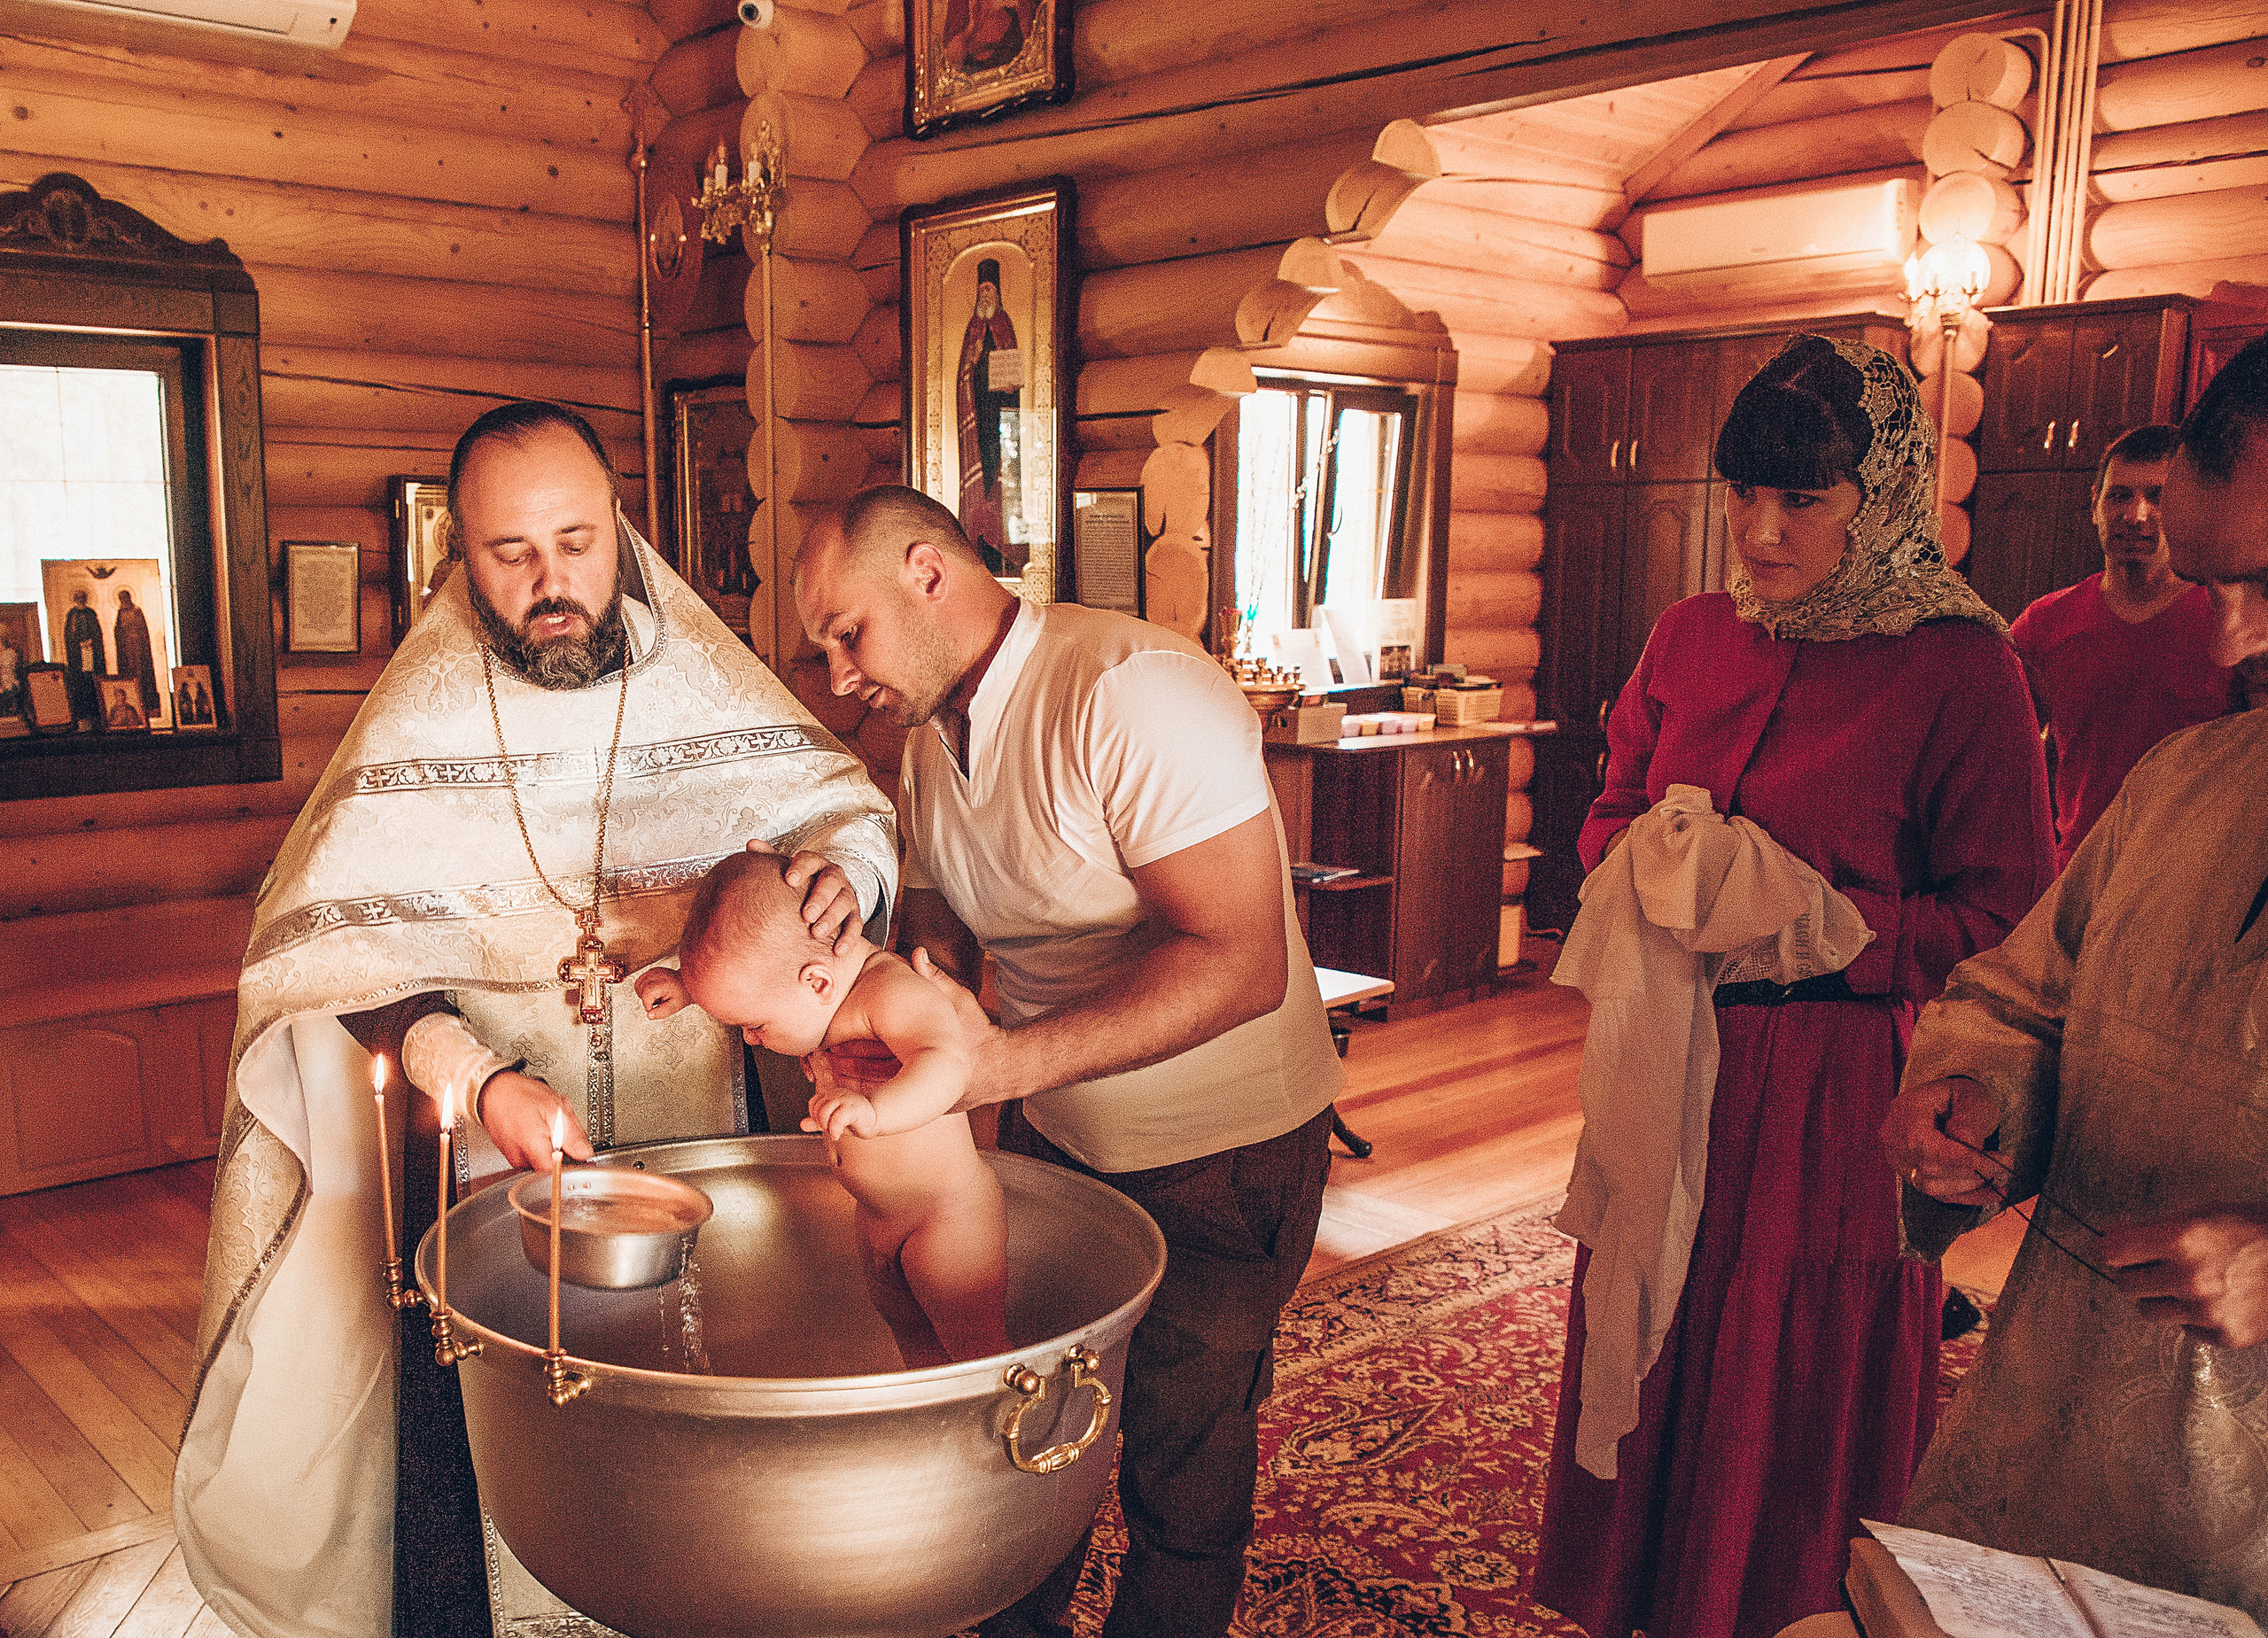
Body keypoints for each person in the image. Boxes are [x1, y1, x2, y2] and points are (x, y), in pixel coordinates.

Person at [175, 400, 898, 1638]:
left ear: (620, 525)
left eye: (575, 542)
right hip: (478, 1159)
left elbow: (846, 810)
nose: (550, 582)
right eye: (511, 553)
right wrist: (480, 1080)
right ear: (461, 552)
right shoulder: (417, 719)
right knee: (490, 1470)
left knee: (695, 1448)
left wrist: (850, 873)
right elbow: (333, 963)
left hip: (697, 1137)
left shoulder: (704, 682)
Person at [1530, 335, 2054, 1638]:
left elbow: (2008, 922)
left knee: (1788, 1353)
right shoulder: (1692, 635)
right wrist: (1658, 864)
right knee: (1650, 1312)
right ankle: (1641, 1595)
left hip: (1834, 1084)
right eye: (1744, 495)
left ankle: (1774, 1609)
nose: (1762, 532)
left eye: (1803, 501)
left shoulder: (1958, 664)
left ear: (1880, 500)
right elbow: (1608, 813)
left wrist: (1816, 930)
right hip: (1671, 1051)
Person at [793, 484, 1344, 1638]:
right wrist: (867, 1016)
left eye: (849, 634)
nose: (839, 677)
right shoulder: (929, 738)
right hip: (1057, 1139)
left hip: (1223, 1156)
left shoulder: (1131, 693)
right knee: (1027, 1438)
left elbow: (1244, 962)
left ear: (928, 573)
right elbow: (943, 936)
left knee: (1181, 1483)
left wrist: (994, 1068)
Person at [1885, 334, 2268, 1616]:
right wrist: (1973, 1096)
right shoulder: (2187, 782)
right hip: (2057, 1440)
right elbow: (2023, 997)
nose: (2231, 642)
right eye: (2212, 587)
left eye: (2264, 584)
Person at [635, 849, 1008, 1368]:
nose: (752, 1038)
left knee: (982, 1357)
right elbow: (761, 981)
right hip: (877, 1217)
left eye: (754, 1025)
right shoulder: (813, 993)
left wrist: (877, 1112)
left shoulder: (888, 990)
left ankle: (1010, 1416)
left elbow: (948, 1062)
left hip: (946, 1215)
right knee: (917, 1352)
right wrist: (690, 988)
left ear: (817, 982)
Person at [2007, 423, 2231, 870]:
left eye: (2158, 497)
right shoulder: (2045, 625)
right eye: (2120, 496)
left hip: (2191, 875)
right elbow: (1998, 759)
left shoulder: (2230, 623)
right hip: (2075, 870)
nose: (2136, 515)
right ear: (2095, 504)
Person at [956, 259, 1021, 573]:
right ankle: (978, 537)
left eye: (989, 289)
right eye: (981, 290)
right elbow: (963, 372)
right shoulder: (973, 328)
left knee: (999, 466)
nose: (985, 295)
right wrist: (973, 362)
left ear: (997, 293)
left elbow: (1013, 368)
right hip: (978, 408)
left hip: (1000, 409)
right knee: (980, 461)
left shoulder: (1004, 324)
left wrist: (1010, 385)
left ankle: (1001, 543)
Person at [113, 585, 159, 714]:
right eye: (121, 599)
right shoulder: (120, 613)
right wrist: (122, 634)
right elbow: (118, 630)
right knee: (129, 669)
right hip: (126, 648)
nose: (123, 601)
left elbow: (143, 629)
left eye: (124, 598)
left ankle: (146, 698)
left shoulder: (137, 611)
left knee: (141, 670)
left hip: (138, 647)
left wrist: (136, 635)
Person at [63, 586, 103, 675]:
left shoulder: (90, 612)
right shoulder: (72, 614)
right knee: (79, 669)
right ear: (75, 599)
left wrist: (91, 640)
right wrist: (77, 642)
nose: (80, 600)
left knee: (91, 669)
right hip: (77, 647)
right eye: (78, 598)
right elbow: (69, 632)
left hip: (90, 644)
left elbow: (96, 630)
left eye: (82, 598)